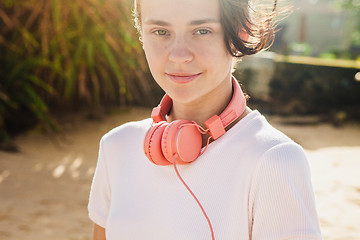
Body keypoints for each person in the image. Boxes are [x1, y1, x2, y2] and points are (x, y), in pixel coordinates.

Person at [88, 0, 323, 239]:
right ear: (141, 35)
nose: (179, 56)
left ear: (240, 32)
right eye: (160, 31)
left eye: (202, 31)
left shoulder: (275, 160)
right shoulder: (116, 147)